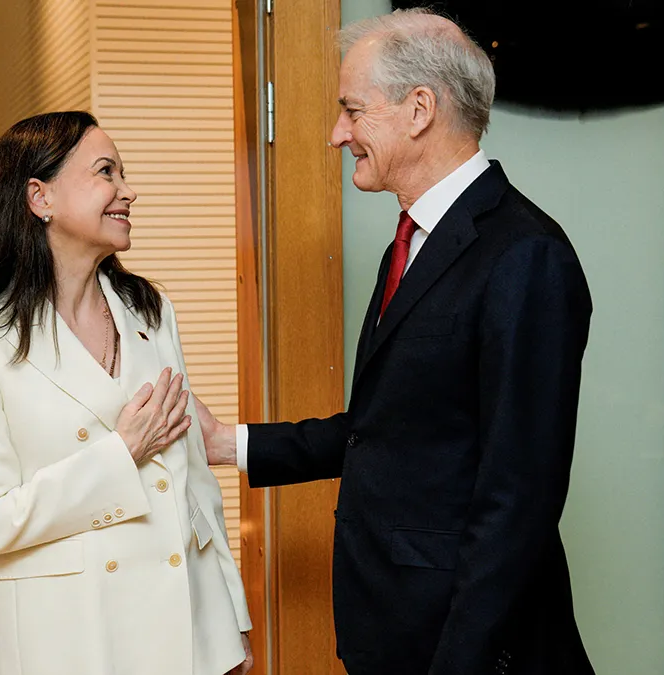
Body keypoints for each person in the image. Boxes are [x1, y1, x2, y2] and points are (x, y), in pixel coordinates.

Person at [197, 8, 596, 675]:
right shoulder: (409, 247)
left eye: (353, 111)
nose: (336, 134)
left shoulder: (527, 255)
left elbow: (517, 500)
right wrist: (228, 444)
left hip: (469, 651)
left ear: (419, 110)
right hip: (396, 634)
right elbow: (385, 428)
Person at [0, 111, 253, 675]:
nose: (127, 191)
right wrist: (119, 454)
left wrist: (228, 625)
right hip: (73, 641)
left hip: (188, 635)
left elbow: (195, 482)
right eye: (106, 172)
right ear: (41, 197)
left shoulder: (151, 311)